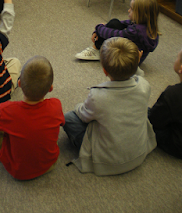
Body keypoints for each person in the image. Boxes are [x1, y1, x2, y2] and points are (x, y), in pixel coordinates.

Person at [64, 37, 157, 176]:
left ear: (104, 71)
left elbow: (84, 116)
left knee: (69, 118)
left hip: (107, 161)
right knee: (144, 110)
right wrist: (135, 64)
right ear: (137, 60)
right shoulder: (144, 85)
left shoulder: (97, 96)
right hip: (140, 153)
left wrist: (80, 105)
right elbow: (139, 76)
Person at [0, 56, 65, 180]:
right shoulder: (56, 105)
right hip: (50, 164)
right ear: (50, 88)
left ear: (19, 84)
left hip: (18, 171)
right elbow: (61, 122)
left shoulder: (7, 110)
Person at [75, 0, 160, 66]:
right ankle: (98, 48)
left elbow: (113, 34)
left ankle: (96, 49)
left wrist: (99, 27)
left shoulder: (135, 31)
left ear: (142, 14)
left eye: (132, 9)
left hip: (126, 62)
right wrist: (103, 27)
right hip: (135, 59)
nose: (128, 10)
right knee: (114, 22)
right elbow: (124, 23)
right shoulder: (147, 26)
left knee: (112, 26)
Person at [148, 48, 182, 159]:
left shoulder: (173, 94)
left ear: (181, 68)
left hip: (178, 145)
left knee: (145, 115)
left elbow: (154, 121)